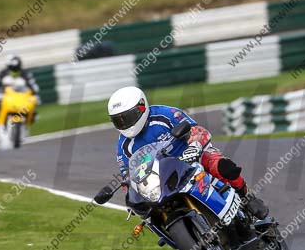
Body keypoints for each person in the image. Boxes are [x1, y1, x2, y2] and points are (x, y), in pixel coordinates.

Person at [107, 86, 269, 219]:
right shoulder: (123, 147)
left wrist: (194, 147)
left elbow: (197, 131)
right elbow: (128, 176)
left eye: (126, 117)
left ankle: (247, 197)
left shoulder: (165, 114)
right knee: (151, 215)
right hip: (162, 178)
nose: (124, 123)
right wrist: (131, 197)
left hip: (192, 157)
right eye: (118, 120)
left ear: (141, 107)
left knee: (223, 166)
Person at [0, 55, 40, 131]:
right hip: (4, 98)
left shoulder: (25, 74)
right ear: (8, 66)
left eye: (17, 68)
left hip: (21, 99)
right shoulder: (1, 74)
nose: (15, 70)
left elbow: (33, 87)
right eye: (12, 68)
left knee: (33, 113)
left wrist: (35, 95)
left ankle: (25, 126)